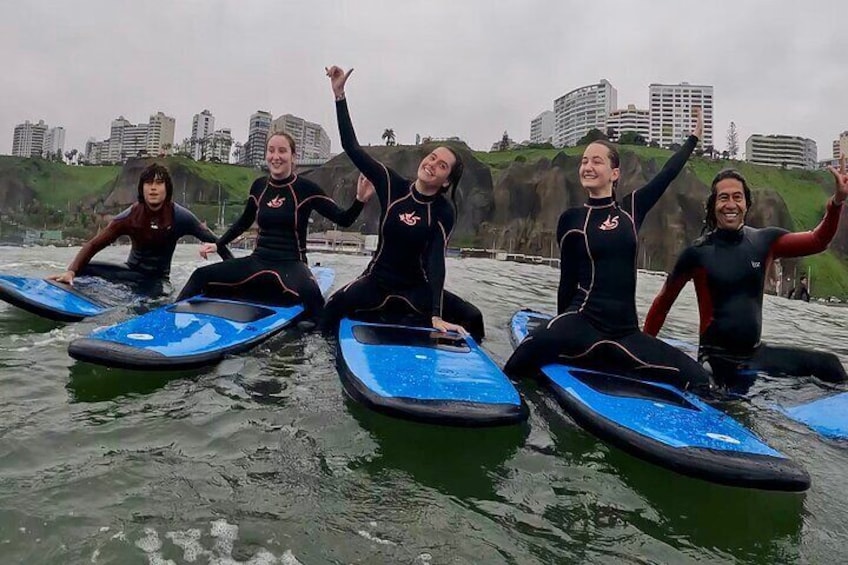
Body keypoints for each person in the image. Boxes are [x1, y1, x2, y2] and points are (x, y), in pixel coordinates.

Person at [504, 108, 712, 393]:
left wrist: (693, 139)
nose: (587, 166)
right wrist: (559, 327)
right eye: (584, 161)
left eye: (597, 161)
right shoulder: (572, 220)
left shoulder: (631, 210)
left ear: (614, 173)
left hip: (625, 334)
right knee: (520, 360)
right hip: (582, 324)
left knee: (698, 378)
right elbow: (567, 283)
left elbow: (667, 174)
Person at [643, 162, 848, 389]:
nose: (731, 204)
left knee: (830, 366)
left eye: (737, 197)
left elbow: (818, 240)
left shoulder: (764, 242)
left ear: (746, 204)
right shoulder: (696, 253)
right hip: (715, 360)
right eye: (723, 198)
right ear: (713, 205)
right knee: (718, 392)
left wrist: (836, 202)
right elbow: (662, 305)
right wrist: (642, 349)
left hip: (754, 354)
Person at [320, 65, 480, 338]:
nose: (432, 165)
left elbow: (436, 261)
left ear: (446, 181)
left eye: (442, 166)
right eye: (432, 157)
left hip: (415, 290)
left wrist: (436, 314)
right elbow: (352, 148)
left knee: (473, 317)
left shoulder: (443, 211)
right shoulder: (391, 184)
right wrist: (339, 95)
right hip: (376, 283)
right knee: (331, 308)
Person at [175, 131, 373, 321]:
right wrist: (218, 244)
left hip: (292, 265)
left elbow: (344, 219)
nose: (275, 157)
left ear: (293, 156)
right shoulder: (259, 186)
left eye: (282, 151)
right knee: (200, 275)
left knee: (316, 305)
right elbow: (244, 221)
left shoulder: (306, 189)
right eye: (271, 150)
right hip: (258, 261)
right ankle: (169, 319)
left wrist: (359, 200)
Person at [49, 163, 232, 296]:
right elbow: (95, 244)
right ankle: (66, 285)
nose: (153, 188)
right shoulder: (130, 217)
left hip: (158, 281)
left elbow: (217, 242)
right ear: (141, 188)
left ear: (167, 189)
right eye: (148, 183)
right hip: (129, 273)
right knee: (83, 269)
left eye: (159, 183)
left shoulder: (180, 217)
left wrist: (235, 273)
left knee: (155, 296)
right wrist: (72, 271)